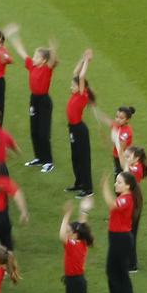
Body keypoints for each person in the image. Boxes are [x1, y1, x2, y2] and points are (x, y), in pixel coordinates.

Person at [7, 33, 58, 172]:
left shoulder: (47, 69)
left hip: (44, 102)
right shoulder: (32, 66)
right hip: (34, 100)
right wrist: (14, 37)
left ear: (43, 60)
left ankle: (48, 161)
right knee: (34, 131)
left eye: (36, 57)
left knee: (43, 133)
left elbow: (52, 60)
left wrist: (53, 49)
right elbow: (22, 52)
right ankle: (39, 158)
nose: (33, 58)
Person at [101, 170, 140, 293]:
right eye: (116, 181)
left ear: (127, 186)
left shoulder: (127, 199)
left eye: (119, 182)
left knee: (120, 272)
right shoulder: (124, 197)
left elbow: (112, 205)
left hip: (121, 239)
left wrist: (104, 187)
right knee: (111, 270)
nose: (115, 184)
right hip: (117, 238)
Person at [62, 48, 97, 197]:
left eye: (73, 85)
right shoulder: (76, 93)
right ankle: (79, 183)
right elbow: (76, 72)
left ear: (81, 87)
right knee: (75, 157)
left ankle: (88, 189)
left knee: (83, 158)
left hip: (79, 130)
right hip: (72, 129)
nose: (71, 87)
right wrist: (82, 58)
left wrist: (87, 61)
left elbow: (81, 75)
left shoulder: (83, 94)